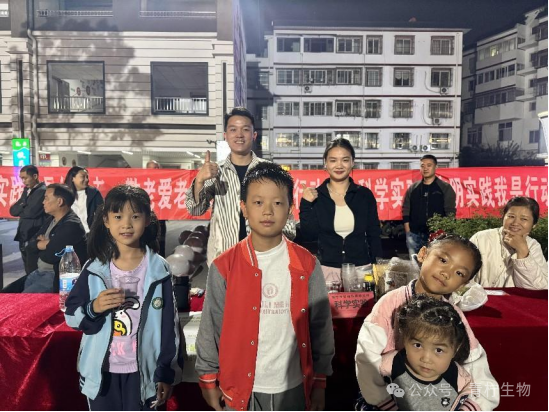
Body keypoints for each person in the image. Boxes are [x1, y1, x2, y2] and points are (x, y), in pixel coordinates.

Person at [195, 163, 334, 411]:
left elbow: (320, 326)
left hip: (294, 386)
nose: (268, 211)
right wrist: (207, 378)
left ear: (290, 209)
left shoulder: (307, 264)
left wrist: (320, 381)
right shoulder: (224, 266)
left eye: (278, 203)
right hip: (240, 389)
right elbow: (211, 325)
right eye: (258, 202)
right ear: (244, 208)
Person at [64, 185, 183, 411]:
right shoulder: (94, 268)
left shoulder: (159, 269)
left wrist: (165, 372)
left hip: (144, 375)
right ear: (106, 221)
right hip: (102, 375)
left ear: (147, 220)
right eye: (118, 216)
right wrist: (93, 308)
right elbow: (71, 316)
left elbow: (170, 326)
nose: (126, 224)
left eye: (135, 216)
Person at [356, 234, 499, 411]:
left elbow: (475, 363)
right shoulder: (391, 303)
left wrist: (474, 405)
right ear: (423, 254)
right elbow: (366, 358)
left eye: (459, 273)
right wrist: (382, 400)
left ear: (464, 284)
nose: (446, 273)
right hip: (390, 396)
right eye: (443, 260)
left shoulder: (453, 315)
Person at [185, 107, 295, 265]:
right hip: (224, 258)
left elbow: (286, 216)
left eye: (245, 129)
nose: (239, 135)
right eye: (233, 129)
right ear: (225, 136)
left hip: (264, 260)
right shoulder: (216, 172)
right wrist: (200, 180)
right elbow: (195, 210)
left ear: (254, 135)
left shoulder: (270, 171)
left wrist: (277, 239)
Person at [371, 295, 480, 411]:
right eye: (417, 345)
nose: (426, 359)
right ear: (404, 339)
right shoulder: (387, 367)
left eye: (439, 350)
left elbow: (474, 396)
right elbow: (369, 388)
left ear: (455, 349)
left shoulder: (459, 377)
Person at [300, 138, 382, 284]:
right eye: (333, 160)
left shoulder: (364, 195)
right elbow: (308, 234)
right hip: (327, 270)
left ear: (352, 162)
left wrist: (378, 266)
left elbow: (373, 233)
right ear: (325, 163)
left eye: (345, 160)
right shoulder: (317, 196)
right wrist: (306, 203)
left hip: (361, 269)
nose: (339, 165)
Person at [470, 197, 547, 289]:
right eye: (511, 216)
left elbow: (538, 289)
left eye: (524, 219)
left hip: (514, 299)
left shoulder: (533, 246)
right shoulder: (481, 238)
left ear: (534, 224)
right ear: (503, 217)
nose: (515, 223)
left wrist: (522, 250)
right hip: (478, 297)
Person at [22, 184, 88, 293]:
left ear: (59, 201)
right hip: (37, 272)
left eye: (46, 198)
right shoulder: (51, 220)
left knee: (24, 301)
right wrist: (45, 244)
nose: (43, 202)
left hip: (54, 277)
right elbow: (31, 243)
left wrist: (42, 245)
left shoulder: (72, 225)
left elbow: (50, 256)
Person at [402, 155, 456, 258]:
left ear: (436, 167)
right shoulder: (413, 188)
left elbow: (450, 212)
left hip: (437, 236)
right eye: (422, 166)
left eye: (429, 165)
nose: (425, 168)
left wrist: (444, 233)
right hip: (414, 234)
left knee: (433, 264)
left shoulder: (445, 187)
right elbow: (406, 209)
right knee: (415, 264)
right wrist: (408, 231)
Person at [10, 165, 47, 275]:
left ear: (35, 176)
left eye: (25, 178)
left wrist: (22, 205)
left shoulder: (42, 191)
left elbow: (31, 212)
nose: (23, 181)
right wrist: (24, 204)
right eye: (22, 178)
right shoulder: (26, 191)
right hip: (24, 234)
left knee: (33, 269)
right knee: (27, 268)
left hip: (34, 234)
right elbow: (13, 211)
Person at [64, 166, 104, 234]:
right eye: (83, 177)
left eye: (87, 177)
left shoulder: (94, 193)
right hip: (69, 233)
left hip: (89, 233)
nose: (86, 180)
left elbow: (101, 212)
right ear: (73, 178)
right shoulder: (64, 195)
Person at [146, 160, 167, 257]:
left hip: (160, 216)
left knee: (161, 240)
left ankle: (161, 259)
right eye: (153, 168)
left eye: (157, 167)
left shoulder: (164, 180)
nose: (156, 169)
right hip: (147, 217)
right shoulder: (142, 180)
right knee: (148, 240)